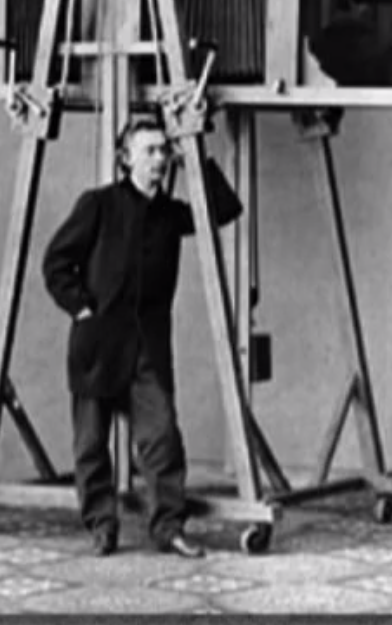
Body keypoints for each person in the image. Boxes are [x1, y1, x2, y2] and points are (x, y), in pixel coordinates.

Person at [42, 115, 242, 558]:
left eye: (163, 150)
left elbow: (225, 210)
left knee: (162, 438)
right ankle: (102, 527)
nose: (158, 159)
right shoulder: (98, 204)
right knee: (91, 445)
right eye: (149, 151)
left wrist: (194, 155)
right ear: (125, 158)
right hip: (97, 345)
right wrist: (81, 308)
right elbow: (55, 262)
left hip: (148, 350)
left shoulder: (170, 215)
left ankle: (168, 529)